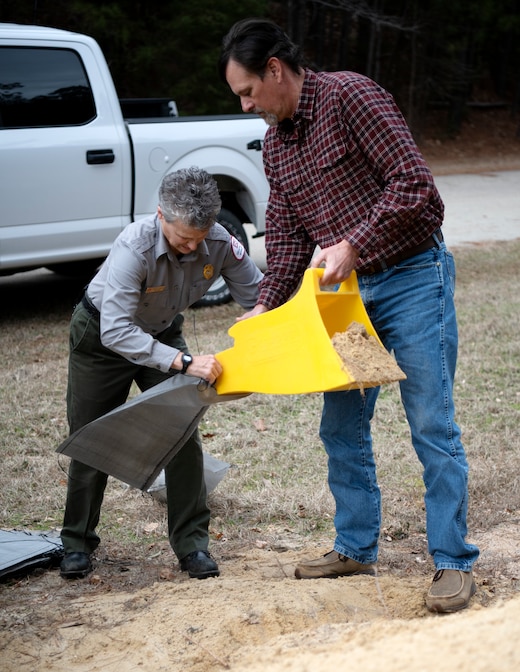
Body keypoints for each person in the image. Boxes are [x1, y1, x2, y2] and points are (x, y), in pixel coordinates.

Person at [219, 18, 479, 613]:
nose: (247, 104)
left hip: (414, 278)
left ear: (276, 71)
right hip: (343, 300)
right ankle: (355, 547)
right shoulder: (277, 146)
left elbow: (417, 188)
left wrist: (355, 242)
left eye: (249, 91)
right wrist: (263, 306)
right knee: (340, 426)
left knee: (431, 424)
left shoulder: (352, 97)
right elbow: (285, 239)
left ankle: (453, 562)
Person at [59, 166, 263, 580]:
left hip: (163, 332)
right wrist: (186, 363)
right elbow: (117, 330)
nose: (190, 247)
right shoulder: (133, 247)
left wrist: (261, 325)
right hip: (101, 339)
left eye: (198, 238)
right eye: (182, 237)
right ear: (160, 215)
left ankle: (192, 547)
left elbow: (260, 295)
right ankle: (77, 544)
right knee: (91, 437)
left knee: (181, 434)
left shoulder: (220, 242)